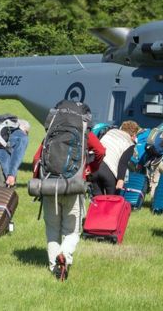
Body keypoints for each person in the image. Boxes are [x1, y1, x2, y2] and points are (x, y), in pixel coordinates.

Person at [38, 102, 106, 281]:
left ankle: (54, 267)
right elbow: (100, 151)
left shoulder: (52, 130)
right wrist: (89, 167)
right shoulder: (84, 132)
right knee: (72, 231)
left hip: (49, 186)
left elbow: (37, 158)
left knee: (52, 229)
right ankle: (65, 255)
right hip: (73, 186)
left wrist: (41, 184)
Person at [89, 120, 140, 196]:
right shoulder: (129, 143)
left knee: (97, 200)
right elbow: (123, 162)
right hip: (109, 170)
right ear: (134, 134)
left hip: (94, 167)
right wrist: (120, 179)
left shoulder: (110, 132)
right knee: (112, 200)